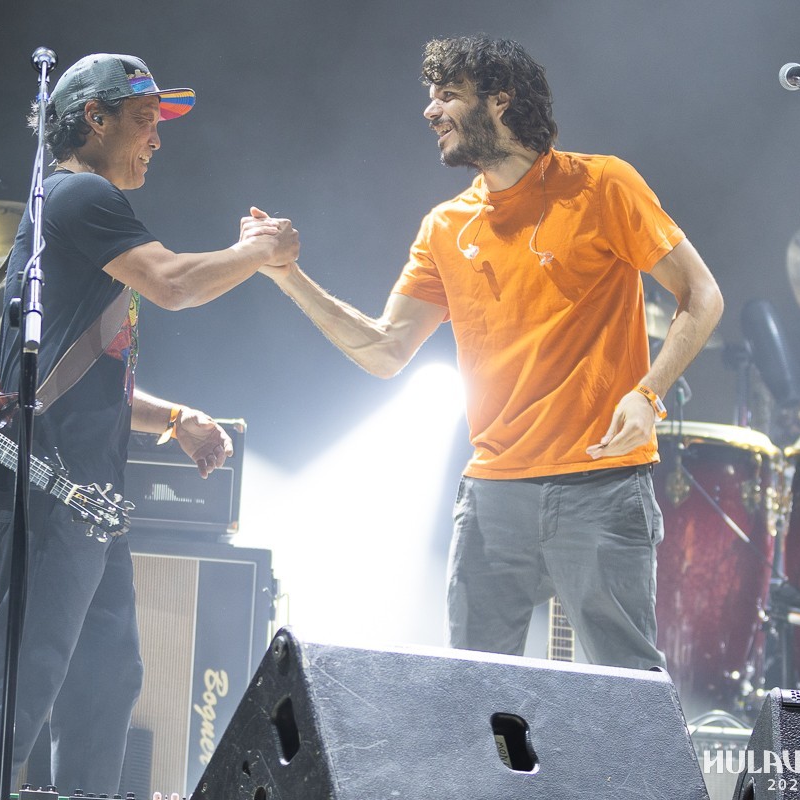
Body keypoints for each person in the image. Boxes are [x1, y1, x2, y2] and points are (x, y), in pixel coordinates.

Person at [252, 34, 722, 671]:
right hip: (493, 495)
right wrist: (287, 276)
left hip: (601, 486)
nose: (430, 110)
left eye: (448, 94)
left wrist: (648, 394)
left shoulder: (603, 184)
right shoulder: (445, 226)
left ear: (500, 101)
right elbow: (386, 350)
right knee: (473, 693)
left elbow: (702, 295)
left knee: (627, 688)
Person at [0, 53, 298, 794]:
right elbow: (172, 283)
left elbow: (82, 377)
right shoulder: (80, 194)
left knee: (105, 679)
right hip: (52, 486)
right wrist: (256, 253)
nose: (157, 139)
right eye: (144, 121)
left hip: (87, 495)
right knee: (25, 671)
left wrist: (173, 418)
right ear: (94, 119)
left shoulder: (72, 205)